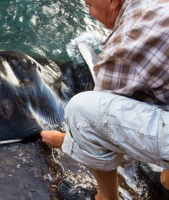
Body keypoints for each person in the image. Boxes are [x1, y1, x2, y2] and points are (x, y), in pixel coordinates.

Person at [40, 0, 169, 199]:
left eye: (90, 4)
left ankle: (106, 197)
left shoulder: (129, 38)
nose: (88, 11)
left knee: (82, 109)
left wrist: (63, 140)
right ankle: (167, 180)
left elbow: (96, 121)